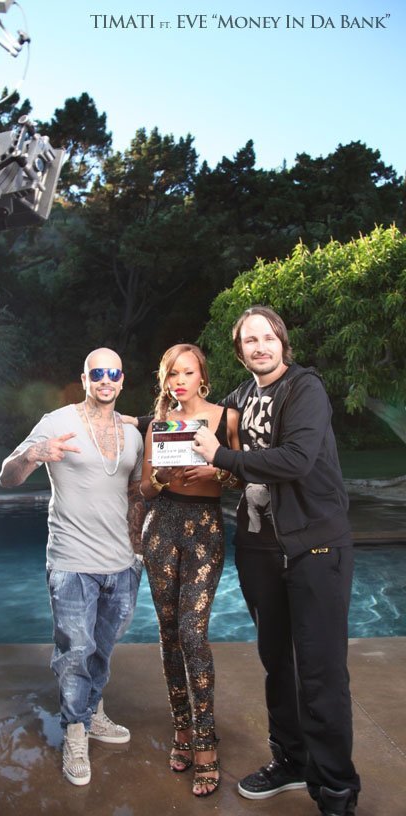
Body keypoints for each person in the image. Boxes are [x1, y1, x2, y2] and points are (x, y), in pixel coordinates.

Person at [192, 306, 361, 816]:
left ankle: (336, 788)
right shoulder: (242, 397)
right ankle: (291, 760)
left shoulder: (305, 388)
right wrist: (132, 421)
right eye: (250, 341)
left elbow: (296, 458)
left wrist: (221, 457)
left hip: (315, 546)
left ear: (282, 343)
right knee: (277, 664)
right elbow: (196, 415)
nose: (260, 347)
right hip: (260, 548)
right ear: (240, 351)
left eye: (267, 337)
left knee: (320, 671)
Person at [0, 348, 145, 787]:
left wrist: (139, 551)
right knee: (75, 652)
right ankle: (76, 732)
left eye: (113, 372)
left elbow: (135, 493)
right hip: (72, 561)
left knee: (102, 649)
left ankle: (92, 712)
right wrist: (34, 453)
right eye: (97, 372)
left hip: (122, 563)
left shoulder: (132, 434)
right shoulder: (56, 422)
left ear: (122, 379)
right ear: (84, 379)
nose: (105, 379)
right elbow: (7, 475)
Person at [139, 343, 240, 798]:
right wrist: (163, 477)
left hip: (204, 529)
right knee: (168, 634)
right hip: (161, 527)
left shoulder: (226, 418)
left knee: (193, 634)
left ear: (203, 377)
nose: (179, 381)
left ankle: (205, 740)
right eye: (171, 374)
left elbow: (242, 474)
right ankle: (181, 728)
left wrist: (216, 473)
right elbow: (145, 489)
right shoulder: (159, 425)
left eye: (187, 372)